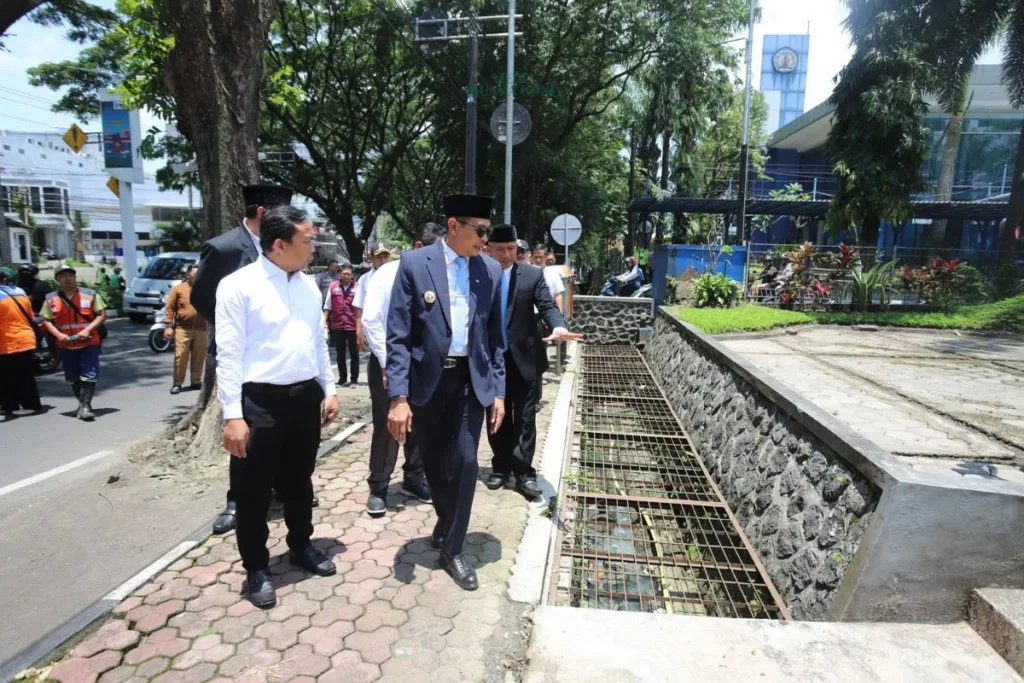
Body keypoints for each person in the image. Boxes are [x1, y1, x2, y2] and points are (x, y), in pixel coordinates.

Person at [215, 205, 339, 609]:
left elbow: (317, 342)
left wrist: (330, 387)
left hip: (304, 400)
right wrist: (233, 415)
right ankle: (257, 568)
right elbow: (228, 355)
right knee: (253, 491)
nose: (314, 248)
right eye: (307, 241)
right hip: (259, 403)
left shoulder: (308, 286)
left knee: (300, 482)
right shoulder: (238, 286)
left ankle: (301, 546)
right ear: (280, 244)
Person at [386, 194, 506, 592]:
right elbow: (399, 336)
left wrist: (499, 392)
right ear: (454, 226)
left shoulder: (489, 269)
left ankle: (453, 548)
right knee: (435, 464)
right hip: (429, 382)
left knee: (467, 461)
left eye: (488, 232)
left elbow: (494, 338)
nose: (485, 240)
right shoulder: (413, 264)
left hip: (471, 382)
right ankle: (445, 521)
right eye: (480, 231)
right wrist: (398, 398)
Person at [191, 183, 306, 536]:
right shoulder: (224, 248)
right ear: (261, 214)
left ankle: (287, 493)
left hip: (283, 366)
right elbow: (202, 299)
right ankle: (236, 501)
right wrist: (241, 330)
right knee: (244, 439)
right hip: (242, 362)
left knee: (283, 441)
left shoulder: (293, 256)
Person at [485, 226, 582, 499]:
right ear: (489, 249)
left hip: (525, 357)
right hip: (493, 359)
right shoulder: (480, 275)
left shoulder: (532, 275)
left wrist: (558, 325)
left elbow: (548, 305)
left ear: (518, 250)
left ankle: (524, 473)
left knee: (526, 418)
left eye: (511, 250)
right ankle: (501, 467)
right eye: (499, 249)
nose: (505, 255)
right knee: (496, 416)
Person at [360, 224, 443, 516]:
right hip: (387, 362)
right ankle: (379, 487)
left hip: (420, 364)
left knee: (420, 426)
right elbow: (372, 321)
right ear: (420, 247)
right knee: (387, 427)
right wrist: (387, 363)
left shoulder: (436, 275)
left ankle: (413, 477)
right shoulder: (387, 273)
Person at [39, 262, 107, 421]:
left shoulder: (90, 294)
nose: (68, 279)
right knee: (72, 376)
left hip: (89, 342)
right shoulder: (50, 299)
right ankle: (82, 404)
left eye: (70, 275)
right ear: (57, 280)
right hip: (65, 344)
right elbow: (46, 320)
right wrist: (58, 334)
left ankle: (85, 407)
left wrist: (87, 330)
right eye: (63, 276)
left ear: (75, 277)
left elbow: (101, 315)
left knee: (89, 374)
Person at [0, 267, 43, 417]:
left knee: (6, 376)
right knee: (24, 374)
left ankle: (12, 405)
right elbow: (30, 314)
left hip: (8, 340)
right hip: (25, 337)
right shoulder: (20, 291)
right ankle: (27, 404)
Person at [163, 264, 207, 394]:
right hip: (183, 328)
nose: (197, 276)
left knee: (199, 357)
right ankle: (177, 383)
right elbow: (169, 308)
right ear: (188, 275)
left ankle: (196, 381)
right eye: (195, 274)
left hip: (201, 328)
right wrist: (168, 326)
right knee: (180, 356)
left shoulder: (205, 289)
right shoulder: (178, 289)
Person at [323, 264, 360, 387]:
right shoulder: (333, 286)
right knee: (340, 353)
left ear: (352, 275)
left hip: (353, 325)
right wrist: (324, 321)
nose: (345, 276)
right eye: (343, 273)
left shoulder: (357, 287)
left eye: (348, 274)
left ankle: (354, 379)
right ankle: (342, 379)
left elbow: (361, 307)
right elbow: (328, 305)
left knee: (354, 353)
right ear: (340, 274)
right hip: (338, 325)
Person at [353, 244, 391, 350]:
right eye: (379, 257)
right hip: (375, 331)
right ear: (372, 259)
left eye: (385, 257)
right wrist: (359, 332)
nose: (383, 261)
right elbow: (359, 307)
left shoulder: (398, 275)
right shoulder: (365, 280)